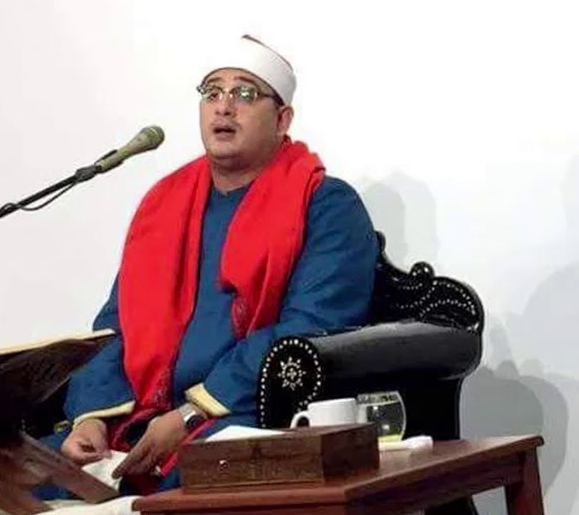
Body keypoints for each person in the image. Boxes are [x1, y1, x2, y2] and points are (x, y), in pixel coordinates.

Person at [41, 35, 378, 494]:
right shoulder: (164, 206)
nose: (224, 107)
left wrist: (190, 413)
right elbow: (115, 329)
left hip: (241, 413)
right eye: (212, 92)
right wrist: (93, 418)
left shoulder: (324, 205)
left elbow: (312, 329)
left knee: (201, 474)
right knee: (19, 472)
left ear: (282, 120)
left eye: (244, 94)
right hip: (138, 418)